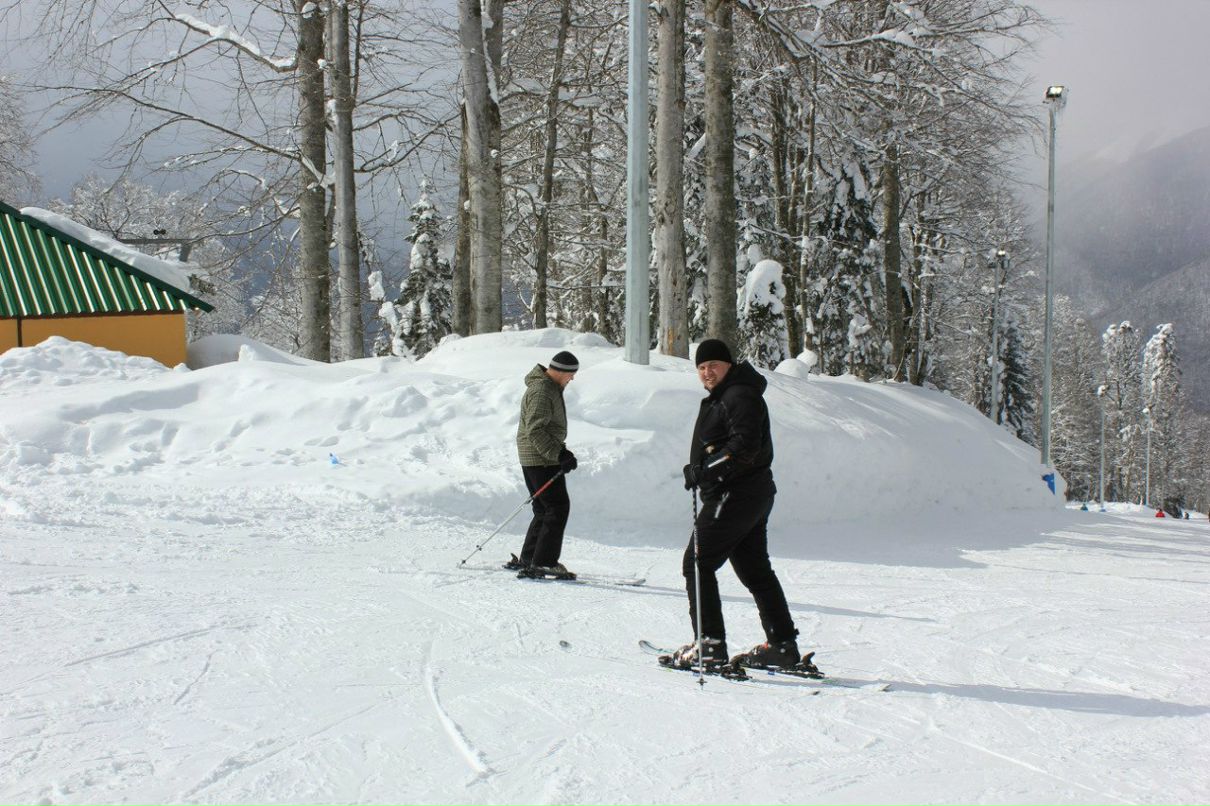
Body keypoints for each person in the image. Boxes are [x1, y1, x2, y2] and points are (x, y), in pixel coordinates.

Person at [671, 338, 808, 673]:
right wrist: (699, 467)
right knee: (754, 570)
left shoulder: (739, 394)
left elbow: (743, 446)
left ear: (728, 365)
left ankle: (710, 645)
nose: (707, 372)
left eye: (713, 365)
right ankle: (781, 645)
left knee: (697, 563)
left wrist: (706, 470)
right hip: (749, 493)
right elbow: (725, 444)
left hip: (735, 493)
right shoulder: (729, 394)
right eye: (701, 367)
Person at [508, 350, 580, 579]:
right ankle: (545, 562)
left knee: (543, 508)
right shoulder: (542, 390)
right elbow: (536, 429)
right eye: (571, 374)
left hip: (537, 456)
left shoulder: (549, 387)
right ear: (560, 371)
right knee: (557, 507)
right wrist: (557, 454)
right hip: (540, 458)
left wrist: (561, 451)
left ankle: (531, 558)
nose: (572, 379)